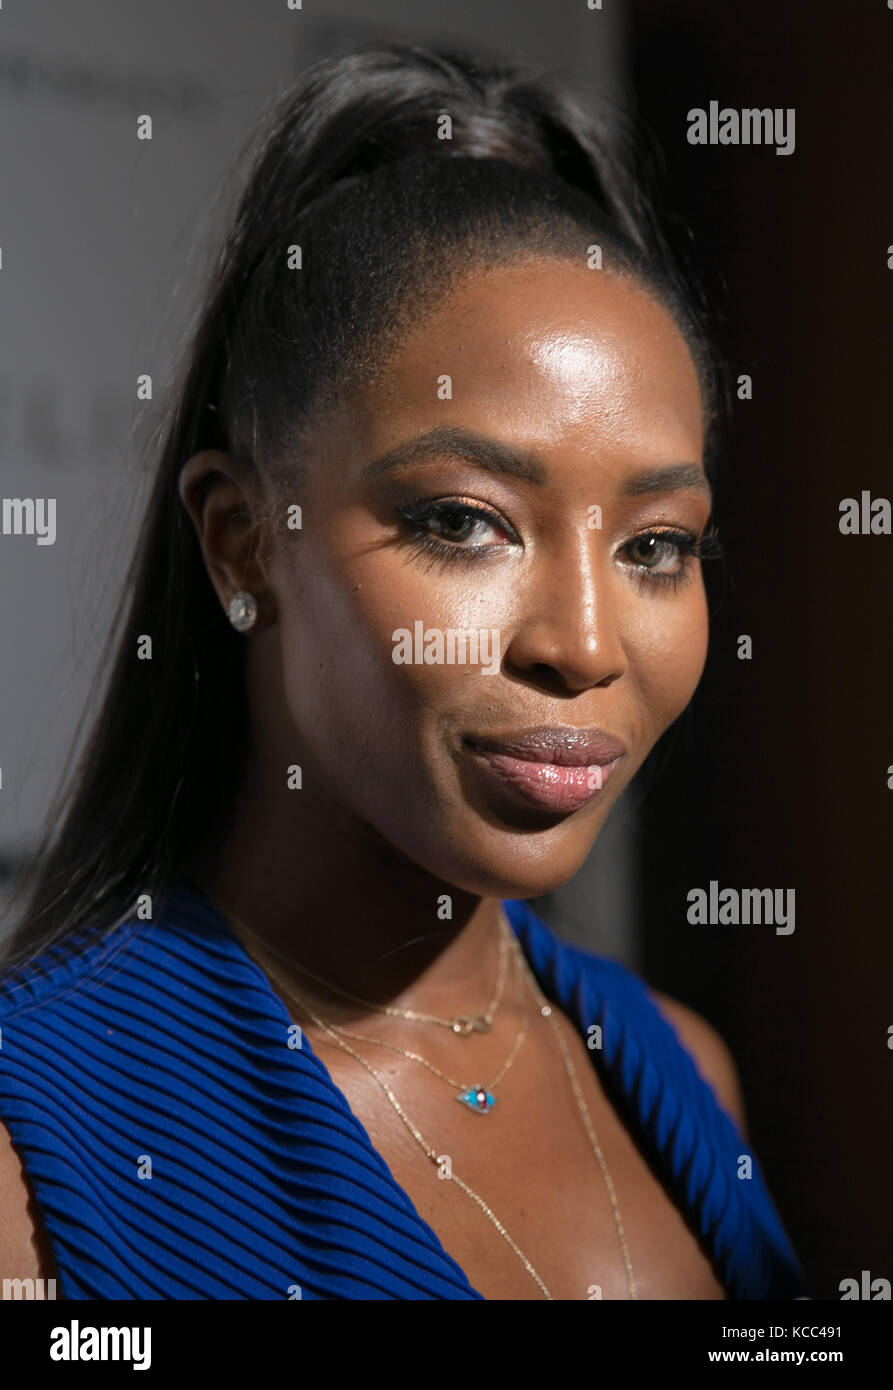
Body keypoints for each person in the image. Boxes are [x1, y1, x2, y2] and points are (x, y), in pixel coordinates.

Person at [0, 41, 807, 1301]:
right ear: (241, 541)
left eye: (656, 544)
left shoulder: (683, 1072)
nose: (584, 644)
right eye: (462, 520)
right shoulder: (33, 1160)